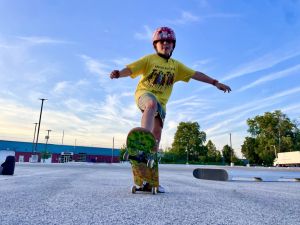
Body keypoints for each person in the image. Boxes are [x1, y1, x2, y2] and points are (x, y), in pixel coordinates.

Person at [110, 27, 231, 192]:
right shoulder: (149, 60)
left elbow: (196, 74)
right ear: (156, 45)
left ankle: (149, 179)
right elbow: (131, 69)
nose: (165, 44)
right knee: (151, 105)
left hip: (162, 104)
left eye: (169, 42)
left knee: (157, 136)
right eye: (162, 42)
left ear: (173, 46)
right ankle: (142, 143)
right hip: (144, 95)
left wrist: (215, 82)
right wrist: (119, 73)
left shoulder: (176, 66)